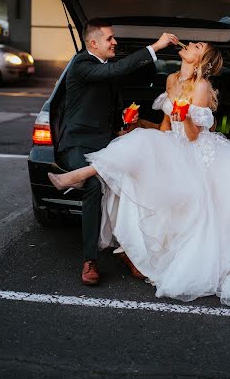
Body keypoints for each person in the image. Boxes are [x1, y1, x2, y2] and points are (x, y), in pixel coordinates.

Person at [49, 41, 230, 306]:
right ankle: (129, 247)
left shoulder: (201, 86)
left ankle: (77, 176)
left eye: (197, 45)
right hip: (172, 146)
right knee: (134, 141)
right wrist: (139, 124)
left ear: (202, 58)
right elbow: (166, 129)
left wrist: (186, 115)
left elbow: (191, 136)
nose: (190, 44)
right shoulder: (171, 79)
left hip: (197, 153)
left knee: (141, 151)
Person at [55, 17, 178, 286]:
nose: (115, 42)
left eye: (113, 38)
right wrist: (155, 46)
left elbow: (111, 95)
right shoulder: (82, 64)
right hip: (78, 143)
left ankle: (129, 252)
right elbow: (115, 72)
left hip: (106, 142)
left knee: (135, 184)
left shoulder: (106, 66)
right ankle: (90, 261)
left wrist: (121, 127)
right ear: (93, 43)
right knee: (90, 184)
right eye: (110, 38)